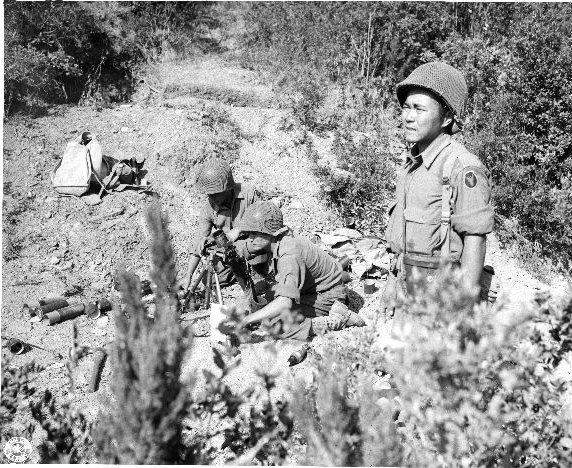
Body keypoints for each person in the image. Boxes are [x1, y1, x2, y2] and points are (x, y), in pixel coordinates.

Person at [380, 61, 495, 315]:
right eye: (406, 108)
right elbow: (403, 238)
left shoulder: (462, 168)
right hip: (407, 293)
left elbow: (475, 239)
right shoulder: (412, 164)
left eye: (420, 109)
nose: (408, 117)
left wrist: (461, 309)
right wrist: (391, 285)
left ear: (446, 118)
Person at [227, 201, 366, 341]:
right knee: (269, 300)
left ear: (269, 232)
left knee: (276, 324)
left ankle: (337, 320)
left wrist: (246, 320)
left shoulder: (289, 254)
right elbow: (247, 247)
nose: (250, 239)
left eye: (254, 234)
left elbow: (284, 302)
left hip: (328, 295)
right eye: (249, 233)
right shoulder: (280, 236)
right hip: (317, 288)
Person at [181, 158, 261, 289]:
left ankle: (255, 272)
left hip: (253, 245)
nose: (211, 198)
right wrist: (189, 274)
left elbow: (263, 221)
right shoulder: (208, 208)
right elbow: (198, 241)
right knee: (209, 280)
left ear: (228, 188)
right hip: (231, 252)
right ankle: (241, 271)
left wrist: (239, 229)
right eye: (209, 194)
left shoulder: (248, 194)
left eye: (216, 194)